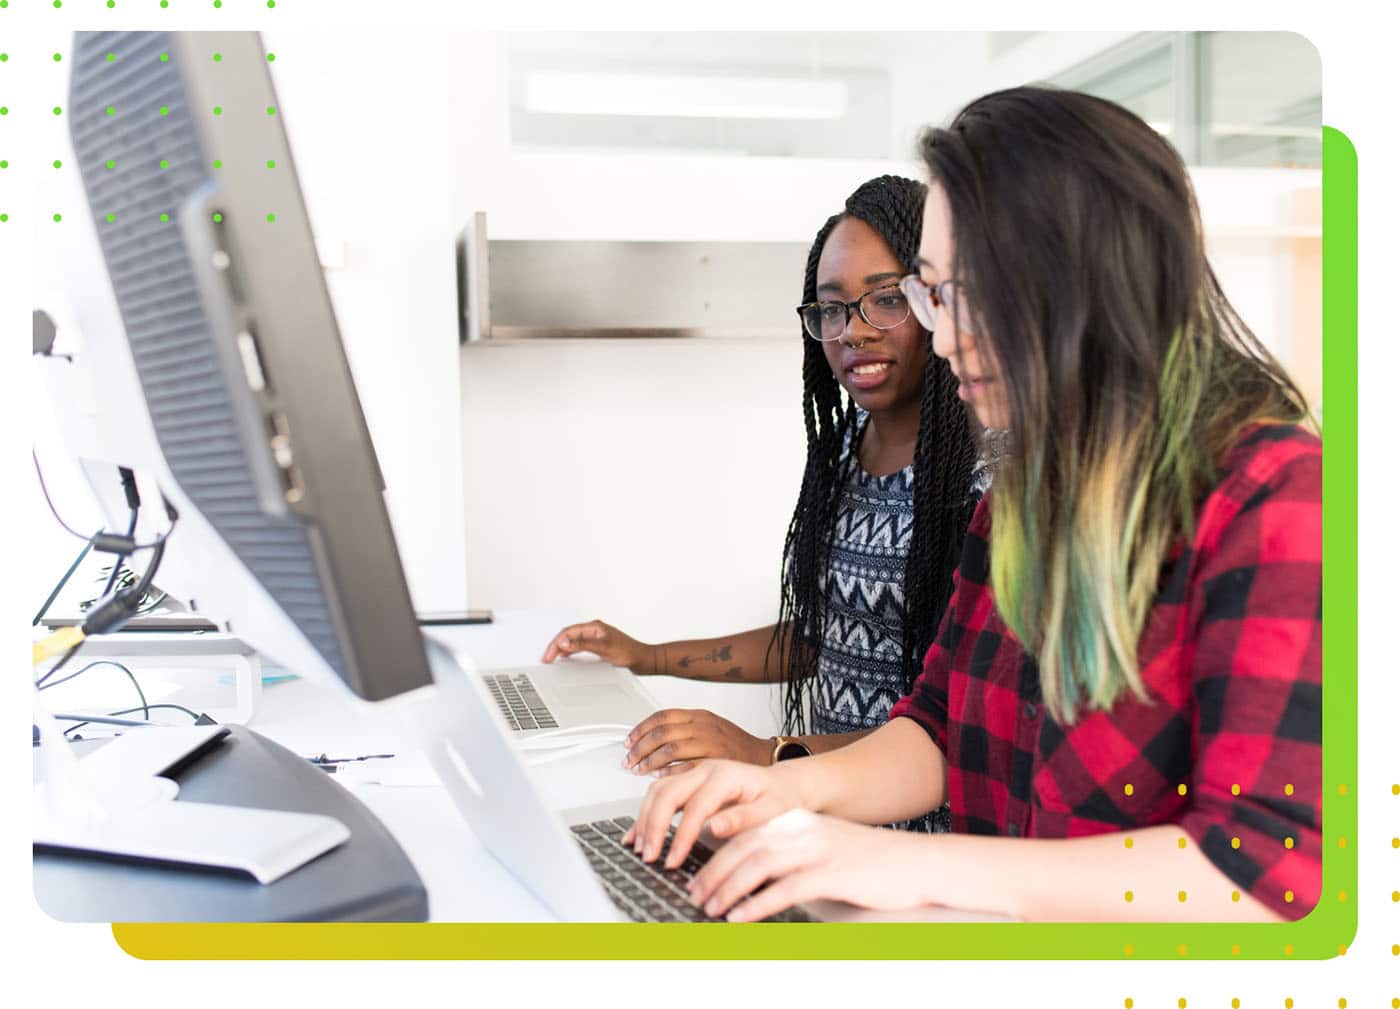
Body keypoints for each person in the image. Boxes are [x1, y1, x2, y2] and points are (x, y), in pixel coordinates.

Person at [622, 86, 1322, 924]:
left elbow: (1260, 876)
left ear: (1087, 277)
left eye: (965, 291)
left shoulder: (1279, 498)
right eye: (932, 292)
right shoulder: (1026, 494)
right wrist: (778, 786)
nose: (944, 334)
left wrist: (906, 862)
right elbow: (941, 728)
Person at [540, 176, 983, 834]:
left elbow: (954, 729)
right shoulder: (839, 454)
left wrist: (765, 756)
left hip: (933, 840)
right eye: (831, 309)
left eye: (885, 300)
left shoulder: (983, 481)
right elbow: (816, 642)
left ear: (934, 300)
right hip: (827, 817)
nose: (853, 331)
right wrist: (650, 655)